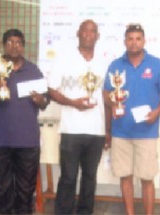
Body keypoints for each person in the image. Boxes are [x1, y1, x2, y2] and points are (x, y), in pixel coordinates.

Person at [103, 24, 160, 215]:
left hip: (147, 132)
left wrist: (157, 112)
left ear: (144, 40)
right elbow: (106, 93)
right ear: (125, 41)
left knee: (147, 178)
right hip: (121, 131)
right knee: (125, 176)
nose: (134, 42)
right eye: (130, 38)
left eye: (138, 38)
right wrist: (112, 104)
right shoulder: (115, 65)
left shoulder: (156, 64)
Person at [0, 29, 49, 214]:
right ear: (4, 45)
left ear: (23, 46)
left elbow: (45, 102)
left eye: (18, 42)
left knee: (25, 195)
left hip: (27, 143)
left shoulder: (33, 70)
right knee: (2, 194)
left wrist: (40, 100)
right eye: (9, 42)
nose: (14, 46)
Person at [48, 19, 107, 215]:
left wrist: (108, 130)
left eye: (93, 31)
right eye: (85, 30)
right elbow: (51, 91)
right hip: (71, 130)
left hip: (97, 131)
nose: (89, 34)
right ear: (78, 33)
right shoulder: (64, 59)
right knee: (68, 177)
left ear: (97, 36)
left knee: (90, 178)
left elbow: (108, 99)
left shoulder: (104, 63)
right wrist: (73, 103)